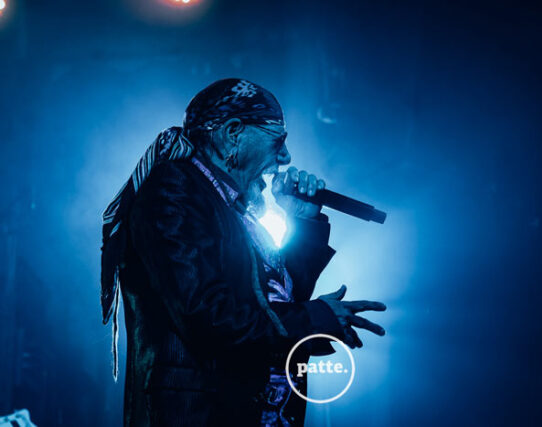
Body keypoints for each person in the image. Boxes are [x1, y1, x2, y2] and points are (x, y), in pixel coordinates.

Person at [100, 78, 386, 426]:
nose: (285, 157)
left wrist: (303, 222)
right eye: (277, 141)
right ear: (233, 133)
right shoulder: (174, 189)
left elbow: (275, 301)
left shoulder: (234, 211)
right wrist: (313, 318)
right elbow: (207, 315)